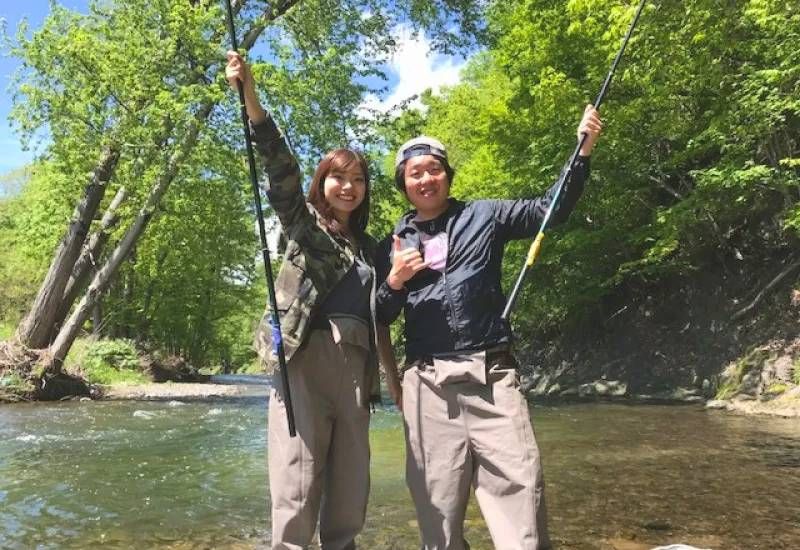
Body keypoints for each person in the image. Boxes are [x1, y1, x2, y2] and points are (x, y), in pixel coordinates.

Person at [376, 106, 602, 550]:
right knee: (436, 514)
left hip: (492, 375)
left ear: (448, 175)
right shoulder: (394, 245)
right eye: (414, 173)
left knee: (522, 501)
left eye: (433, 169)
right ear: (404, 184)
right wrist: (394, 282)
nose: (425, 179)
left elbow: (549, 210)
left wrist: (583, 149)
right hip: (426, 385)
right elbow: (380, 316)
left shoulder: (487, 215)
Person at [225, 51, 401, 550]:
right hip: (305, 358)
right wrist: (250, 98)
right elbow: (279, 168)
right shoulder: (305, 225)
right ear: (323, 183)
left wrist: (393, 382)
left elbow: (383, 317)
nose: (348, 187)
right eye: (338, 177)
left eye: (358, 179)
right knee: (298, 482)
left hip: (358, 369)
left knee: (350, 489)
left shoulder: (371, 250)